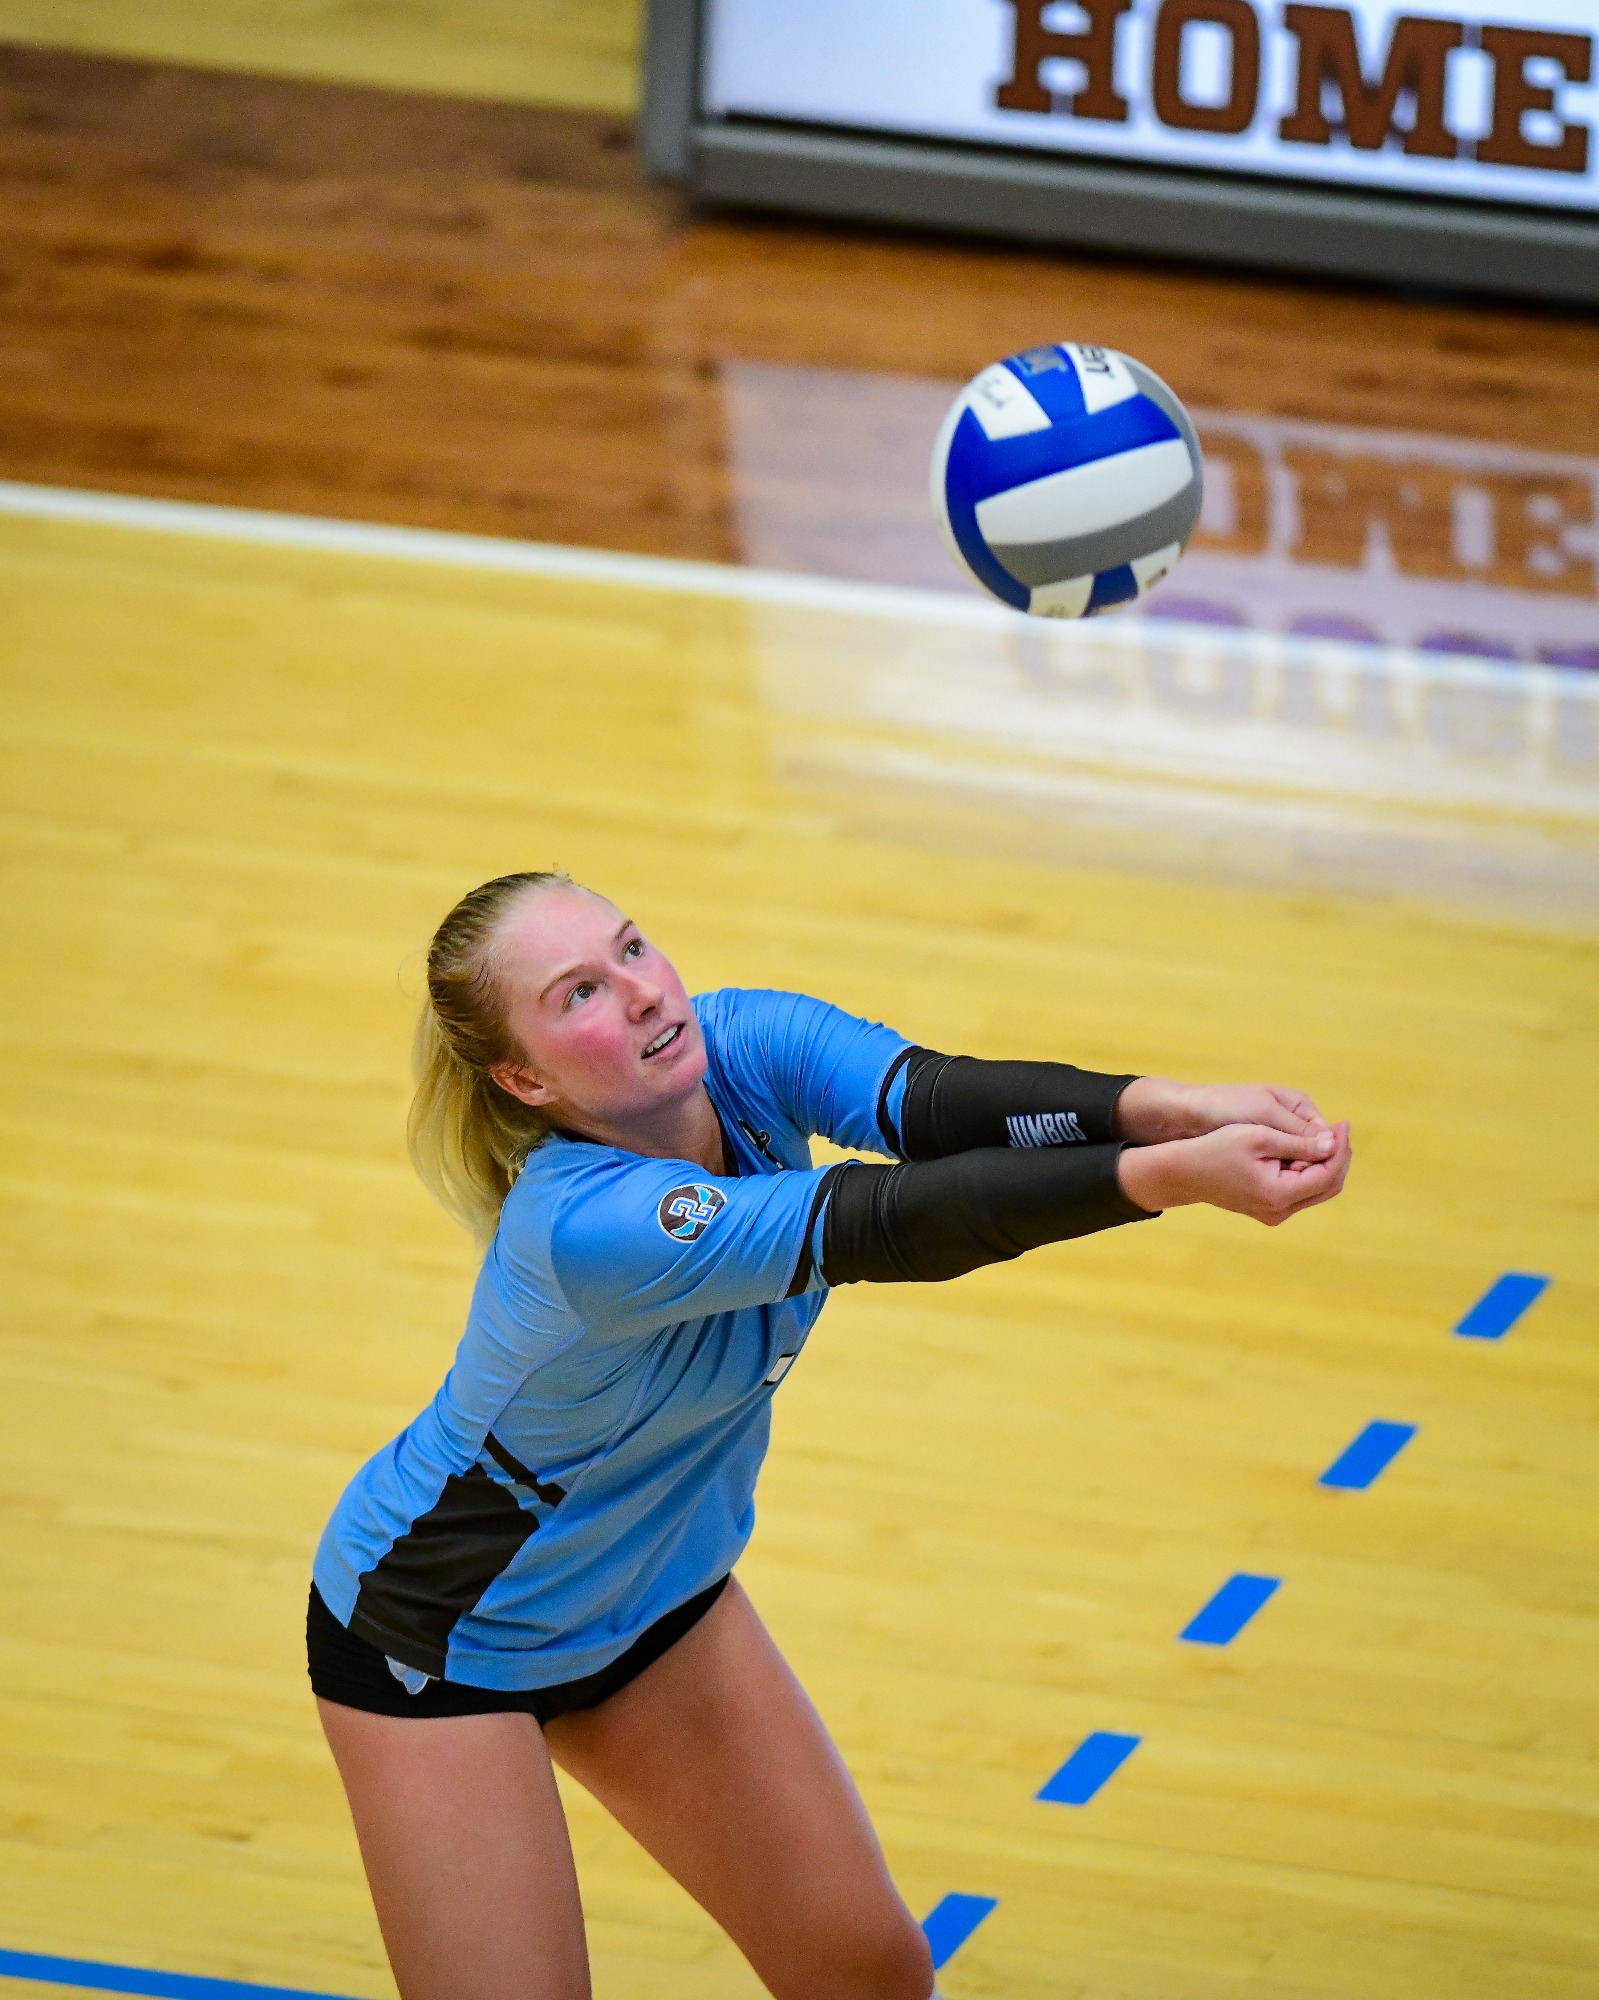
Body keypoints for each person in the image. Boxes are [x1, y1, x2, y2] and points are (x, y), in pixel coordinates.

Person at [309, 869, 1351, 2000]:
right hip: (440, 1636)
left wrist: (1174, 1106)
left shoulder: (741, 1042)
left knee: (868, 1973)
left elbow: (946, 1105)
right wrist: (1166, 1177)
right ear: (523, 1077)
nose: (646, 993)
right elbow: (888, 1218)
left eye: (634, 948)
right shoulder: (587, 1227)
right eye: (580, 995)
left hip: (658, 1595)